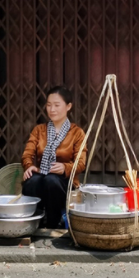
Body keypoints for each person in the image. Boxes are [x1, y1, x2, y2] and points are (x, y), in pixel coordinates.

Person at [21, 86, 87, 229]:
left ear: (68, 106)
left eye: (57, 105)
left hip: (64, 180)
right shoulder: (39, 130)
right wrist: (29, 166)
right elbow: (27, 154)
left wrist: (65, 167)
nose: (52, 109)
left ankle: (53, 221)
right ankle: (34, 220)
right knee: (32, 181)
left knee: (51, 180)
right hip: (42, 174)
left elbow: (81, 163)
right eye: (49, 105)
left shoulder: (77, 133)